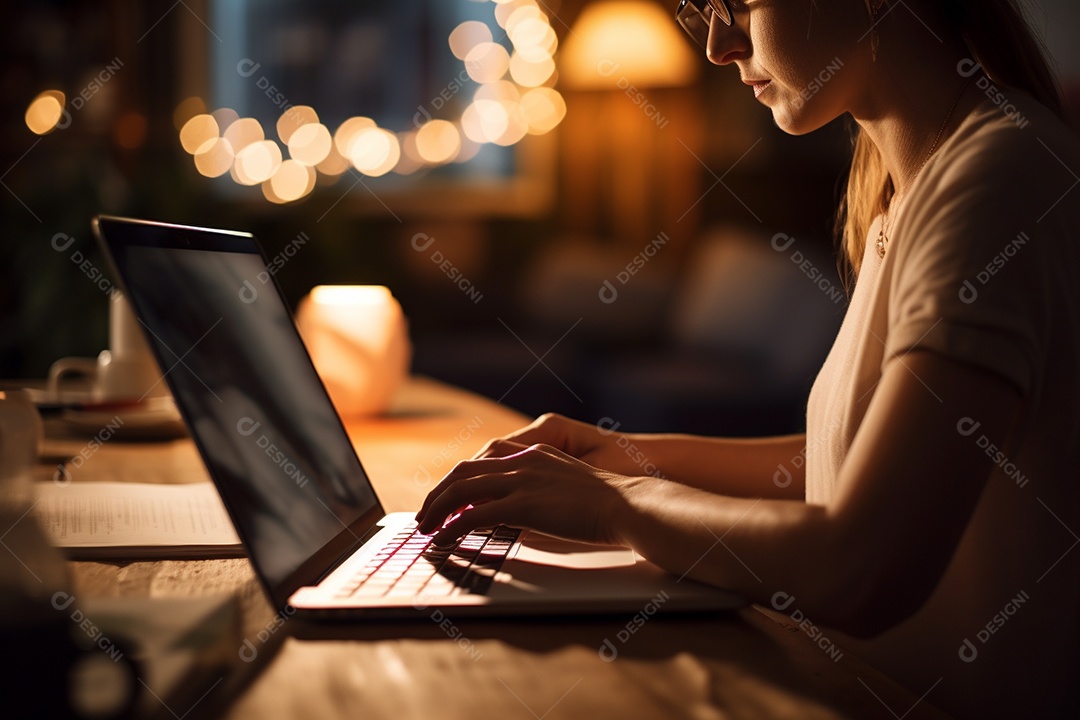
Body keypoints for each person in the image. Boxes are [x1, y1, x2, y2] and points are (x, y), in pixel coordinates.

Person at [416, 1, 1080, 717]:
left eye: (737, 3)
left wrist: (616, 505)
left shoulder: (998, 180)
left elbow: (863, 564)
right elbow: (845, 466)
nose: (717, 45)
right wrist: (619, 455)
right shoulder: (903, 194)